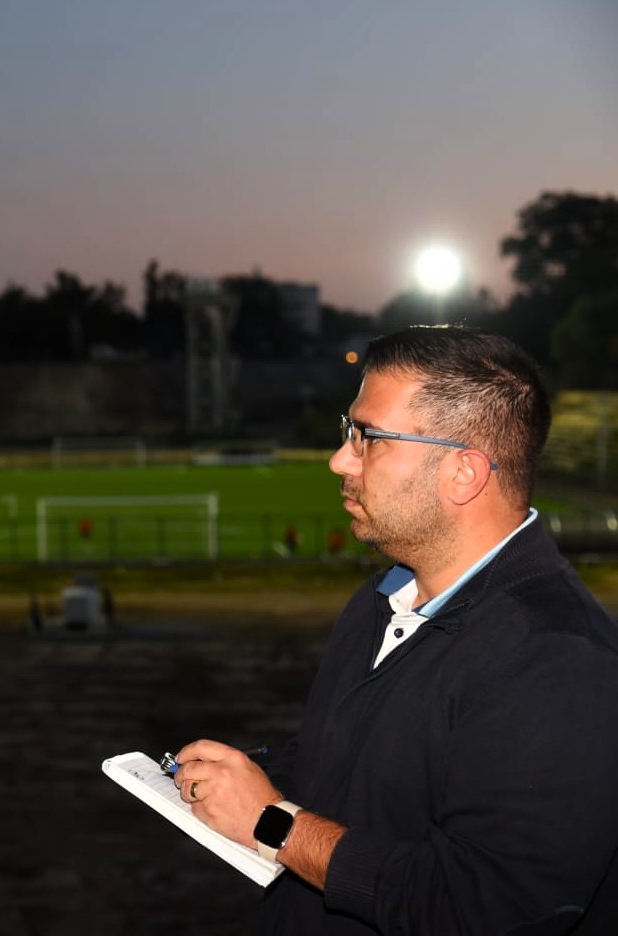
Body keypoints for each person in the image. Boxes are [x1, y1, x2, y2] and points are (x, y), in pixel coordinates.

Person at [170, 326, 618, 934]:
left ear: (464, 473)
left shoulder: (559, 660)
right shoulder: (380, 601)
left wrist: (271, 821)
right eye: (347, 430)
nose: (340, 459)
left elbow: (481, 907)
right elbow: (358, 772)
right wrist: (233, 779)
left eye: (369, 438)